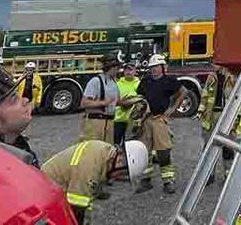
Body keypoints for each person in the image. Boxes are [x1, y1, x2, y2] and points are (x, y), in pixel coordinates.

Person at [41, 139, 148, 224]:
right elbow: (77, 208)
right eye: (122, 174)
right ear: (119, 160)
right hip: (46, 190)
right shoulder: (89, 167)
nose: (117, 178)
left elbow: (87, 200)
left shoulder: (104, 152)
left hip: (56, 187)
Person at [135, 53, 186, 194]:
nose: (154, 69)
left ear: (163, 67)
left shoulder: (169, 80)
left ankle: (168, 181)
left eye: (157, 66)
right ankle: (146, 180)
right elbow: (140, 96)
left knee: (163, 152)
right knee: (144, 152)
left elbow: (183, 92)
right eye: (152, 67)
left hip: (159, 120)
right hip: (146, 120)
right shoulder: (145, 81)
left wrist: (171, 109)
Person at [80, 55, 121, 143]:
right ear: (112, 68)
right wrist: (103, 103)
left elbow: (116, 102)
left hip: (109, 122)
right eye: (117, 68)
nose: (118, 70)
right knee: (93, 150)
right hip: (96, 122)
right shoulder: (96, 81)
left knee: (106, 152)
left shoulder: (114, 82)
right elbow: (84, 103)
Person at [112, 60, 141, 144]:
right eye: (126, 70)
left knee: (131, 146)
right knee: (116, 145)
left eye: (131, 69)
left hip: (133, 121)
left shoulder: (140, 84)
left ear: (135, 71)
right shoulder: (117, 84)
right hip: (118, 120)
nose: (128, 72)